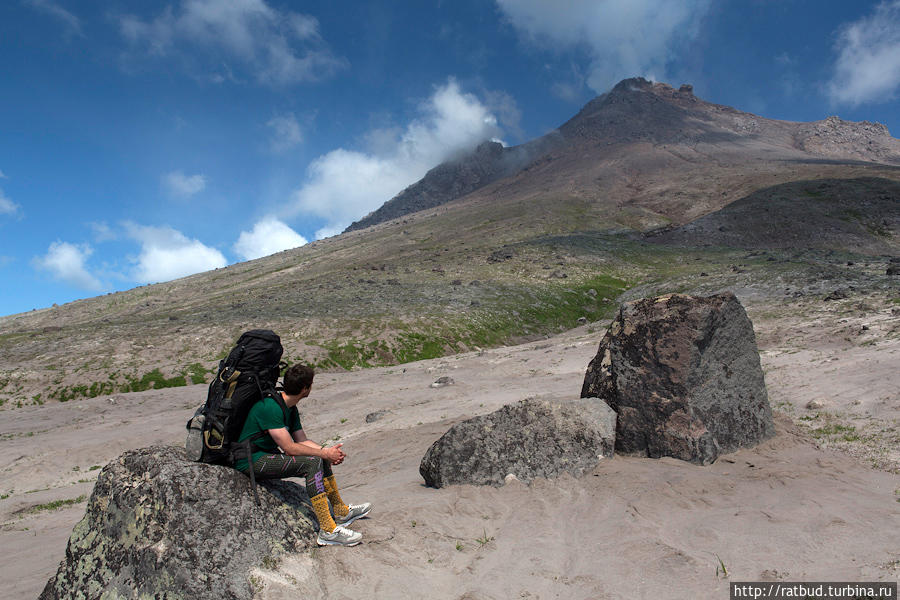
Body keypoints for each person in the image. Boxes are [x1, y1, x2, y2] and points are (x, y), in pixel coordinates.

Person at [235, 363, 371, 547]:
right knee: (312, 463)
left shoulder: (290, 408)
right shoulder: (270, 407)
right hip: (250, 460)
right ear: (305, 388)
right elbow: (289, 448)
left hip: (264, 455)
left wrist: (328, 452)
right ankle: (328, 530)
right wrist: (324, 453)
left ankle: (340, 510)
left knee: (320, 457)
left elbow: (302, 440)